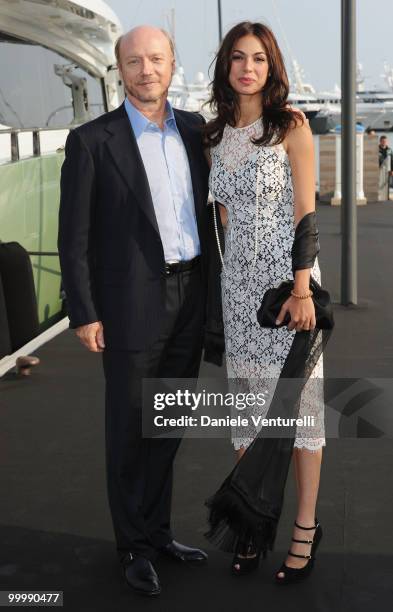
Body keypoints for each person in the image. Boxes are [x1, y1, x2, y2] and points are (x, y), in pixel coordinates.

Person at [58, 26, 213, 597]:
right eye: (133, 62)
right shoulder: (92, 141)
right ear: (119, 70)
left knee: (168, 425)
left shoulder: (197, 131)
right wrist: (83, 312)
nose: (146, 70)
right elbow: (72, 237)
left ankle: (158, 531)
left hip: (192, 296)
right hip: (128, 308)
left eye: (155, 59)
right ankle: (133, 548)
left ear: (173, 63)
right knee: (129, 431)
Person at [204, 21, 326, 584]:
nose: (247, 67)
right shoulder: (215, 136)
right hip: (240, 296)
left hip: (289, 292)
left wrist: (302, 290)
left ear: (271, 67)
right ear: (226, 67)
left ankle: (304, 529)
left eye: (257, 58)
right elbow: (224, 220)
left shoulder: (291, 129)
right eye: (237, 57)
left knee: (300, 417)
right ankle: (251, 526)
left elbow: (306, 215)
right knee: (247, 417)